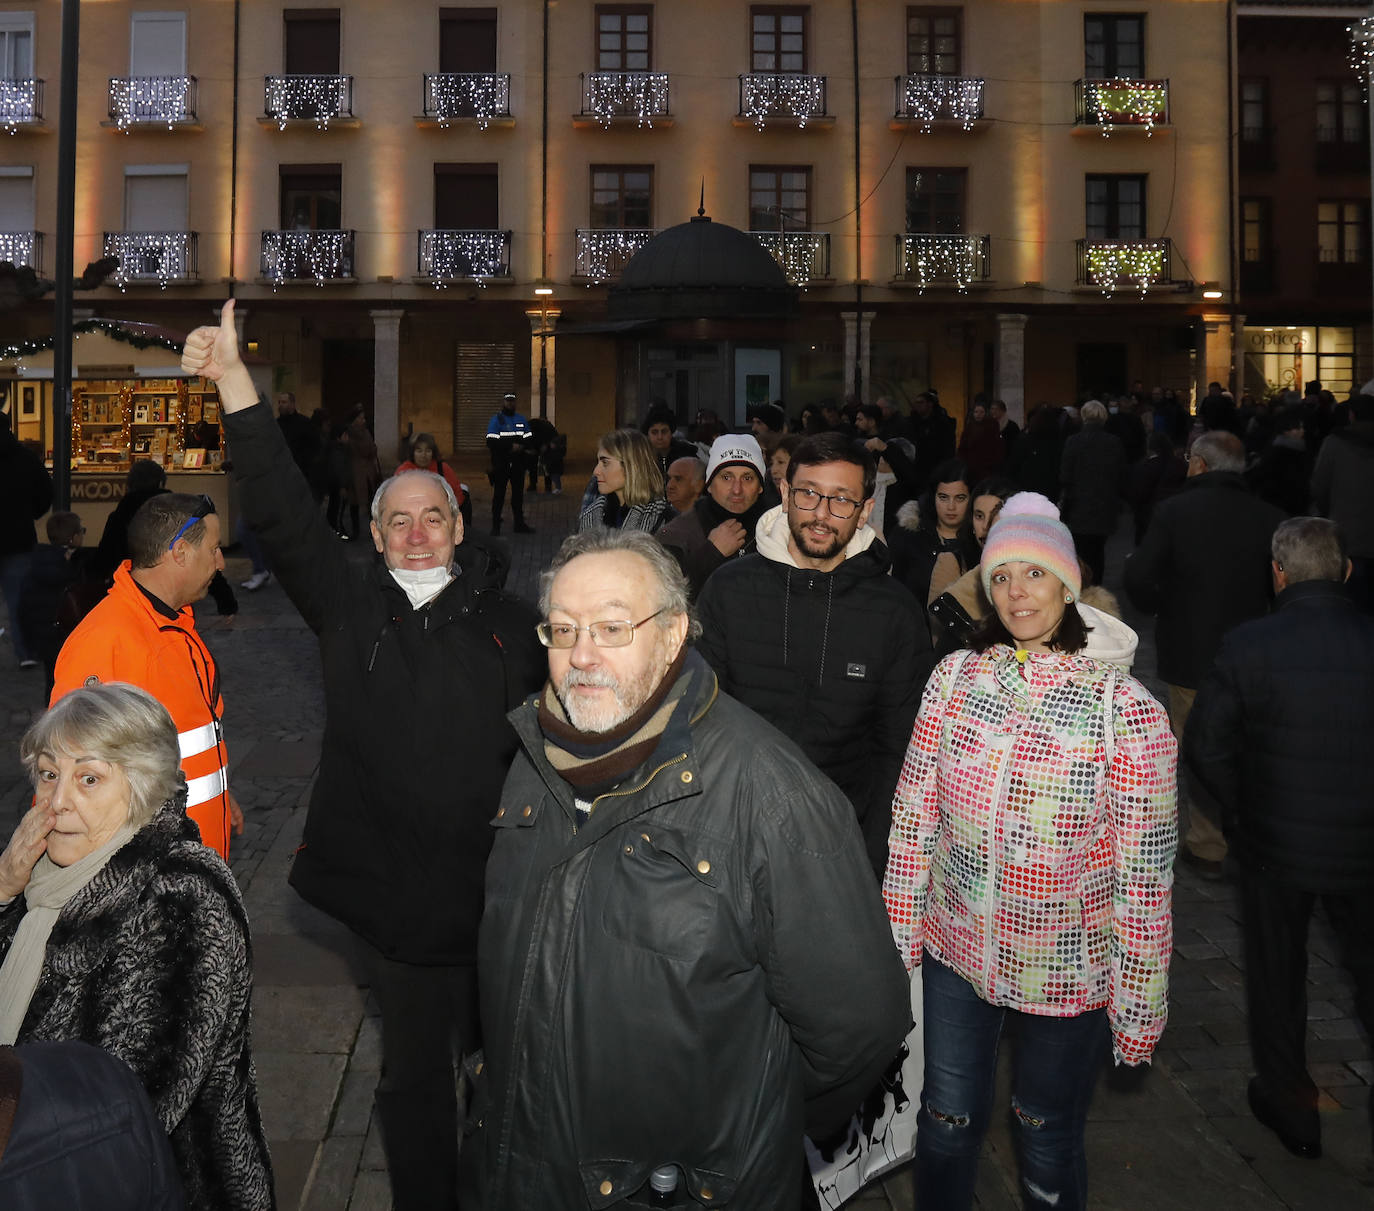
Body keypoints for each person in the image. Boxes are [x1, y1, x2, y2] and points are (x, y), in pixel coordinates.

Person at [181, 300, 546, 1211]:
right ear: (376, 536)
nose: (418, 531)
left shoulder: (517, 626)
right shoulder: (349, 608)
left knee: (512, 1071)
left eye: (434, 516)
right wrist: (235, 383)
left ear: (459, 528)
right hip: (397, 897)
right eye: (400, 521)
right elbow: (284, 510)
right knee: (416, 1076)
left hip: (501, 894)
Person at [460, 528, 911, 1210]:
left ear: (673, 634)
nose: (582, 654)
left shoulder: (773, 796)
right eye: (562, 629)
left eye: (613, 627)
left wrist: (748, 1128)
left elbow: (861, 1026)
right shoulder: (532, 755)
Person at [884, 501, 1177, 1211]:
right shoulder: (955, 681)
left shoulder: (1125, 710)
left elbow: (1145, 876)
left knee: (1044, 1129)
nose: (1017, 591)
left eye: (1035, 573)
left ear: (1067, 586)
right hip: (956, 952)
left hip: (1066, 972)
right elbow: (914, 815)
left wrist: (1139, 1006)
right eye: (1003, 575)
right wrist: (897, 942)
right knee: (946, 1120)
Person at [0, 683, 274, 1208]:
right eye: (49, 773)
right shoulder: (35, 876)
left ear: (143, 789)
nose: (57, 802)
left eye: (88, 779)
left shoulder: (180, 896)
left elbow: (120, 1110)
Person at [1183, 517, 1374, 1162]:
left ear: (1279, 573)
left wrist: (1244, 810)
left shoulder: (1250, 644)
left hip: (1275, 847)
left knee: (1276, 974)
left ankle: (1292, 1105)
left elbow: (1206, 745)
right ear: (1345, 571)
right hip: (1364, 848)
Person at [696, 432, 929, 873]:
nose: (822, 515)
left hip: (845, 848)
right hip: (735, 842)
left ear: (864, 512)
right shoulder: (729, 589)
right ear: (784, 493)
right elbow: (701, 725)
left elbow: (899, 751)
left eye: (842, 500)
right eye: (809, 494)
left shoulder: (894, 610)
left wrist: (872, 861)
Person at [1124, 429, 1285, 877]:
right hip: (1254, 652)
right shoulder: (1269, 516)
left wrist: (1161, 604)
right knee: (1248, 743)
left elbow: (1139, 577)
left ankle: (1209, 843)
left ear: (1200, 464)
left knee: (1199, 745)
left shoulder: (1175, 512)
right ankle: (1250, 835)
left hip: (1190, 650)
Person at [51, 492, 242, 860]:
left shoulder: (174, 623)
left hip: (189, 868)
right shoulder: (105, 642)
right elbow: (69, 784)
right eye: (214, 549)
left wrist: (218, 792)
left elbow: (187, 741)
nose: (220, 562)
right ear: (181, 552)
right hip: (154, 885)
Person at [91, 460, 239, 611]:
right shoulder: (178, 514)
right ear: (160, 482)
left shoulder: (121, 514)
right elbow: (202, 558)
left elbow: (105, 556)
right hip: (169, 596)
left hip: (132, 591)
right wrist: (226, 600)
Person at [657, 433, 771, 598]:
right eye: (726, 477)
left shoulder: (778, 529)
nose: (737, 489)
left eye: (747, 478)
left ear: (760, 486)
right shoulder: (677, 535)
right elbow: (663, 599)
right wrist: (711, 553)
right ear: (709, 485)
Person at [16, 512, 93, 700]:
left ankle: (52, 711)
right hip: (64, 633)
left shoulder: (37, 563)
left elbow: (23, 606)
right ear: (73, 537)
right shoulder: (69, 568)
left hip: (44, 635)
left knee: (52, 679)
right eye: (81, 531)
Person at [890, 457, 981, 612]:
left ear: (972, 499)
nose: (951, 507)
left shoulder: (979, 543)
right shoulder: (908, 536)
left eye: (960, 498)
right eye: (943, 497)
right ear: (933, 497)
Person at [0, 410, 53, 669]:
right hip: (18, 537)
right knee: (19, 599)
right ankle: (26, 651)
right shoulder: (25, 458)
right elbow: (45, 492)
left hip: (17, 537)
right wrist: (32, 513)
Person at [1312, 394, 1374, 612]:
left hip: (1348, 532)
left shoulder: (1336, 444)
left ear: (1351, 415)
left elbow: (1320, 485)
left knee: (1351, 603)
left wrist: (1328, 512)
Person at [1058, 399, 1124, 588]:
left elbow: (1065, 475)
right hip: (1104, 503)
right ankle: (1096, 588)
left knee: (1080, 550)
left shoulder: (1073, 441)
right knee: (1098, 551)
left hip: (1079, 503)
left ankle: (1081, 587)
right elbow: (1120, 474)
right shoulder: (1114, 443)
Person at [577, 428, 670, 534]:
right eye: (598, 462)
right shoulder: (591, 515)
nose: (596, 471)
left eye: (605, 463)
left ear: (632, 466)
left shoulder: (661, 517)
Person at [1247, 405, 1311, 519]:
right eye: (1298, 428)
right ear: (1286, 431)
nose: (1302, 431)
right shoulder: (1279, 453)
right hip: (1282, 508)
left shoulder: (1298, 450)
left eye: (1302, 427)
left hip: (1289, 508)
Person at [396, 432, 470, 527]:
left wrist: (448, 513)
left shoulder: (443, 468)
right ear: (412, 453)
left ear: (433, 453)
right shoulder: (403, 471)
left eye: (428, 451)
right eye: (419, 451)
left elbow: (457, 494)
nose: (424, 455)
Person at [487, 391, 534, 535]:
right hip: (502, 463)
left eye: (512, 401)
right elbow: (491, 441)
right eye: (507, 401)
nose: (510, 403)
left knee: (518, 496)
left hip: (518, 464)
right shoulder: (496, 420)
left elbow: (529, 439)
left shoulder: (521, 419)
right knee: (499, 495)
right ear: (503, 402)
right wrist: (510, 446)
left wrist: (521, 446)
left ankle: (519, 525)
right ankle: (496, 527)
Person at [957, 399, 1004, 484]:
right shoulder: (969, 426)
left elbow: (996, 447)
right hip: (970, 467)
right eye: (976, 412)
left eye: (981, 412)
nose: (978, 415)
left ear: (986, 413)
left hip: (987, 467)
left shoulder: (992, 426)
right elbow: (963, 446)